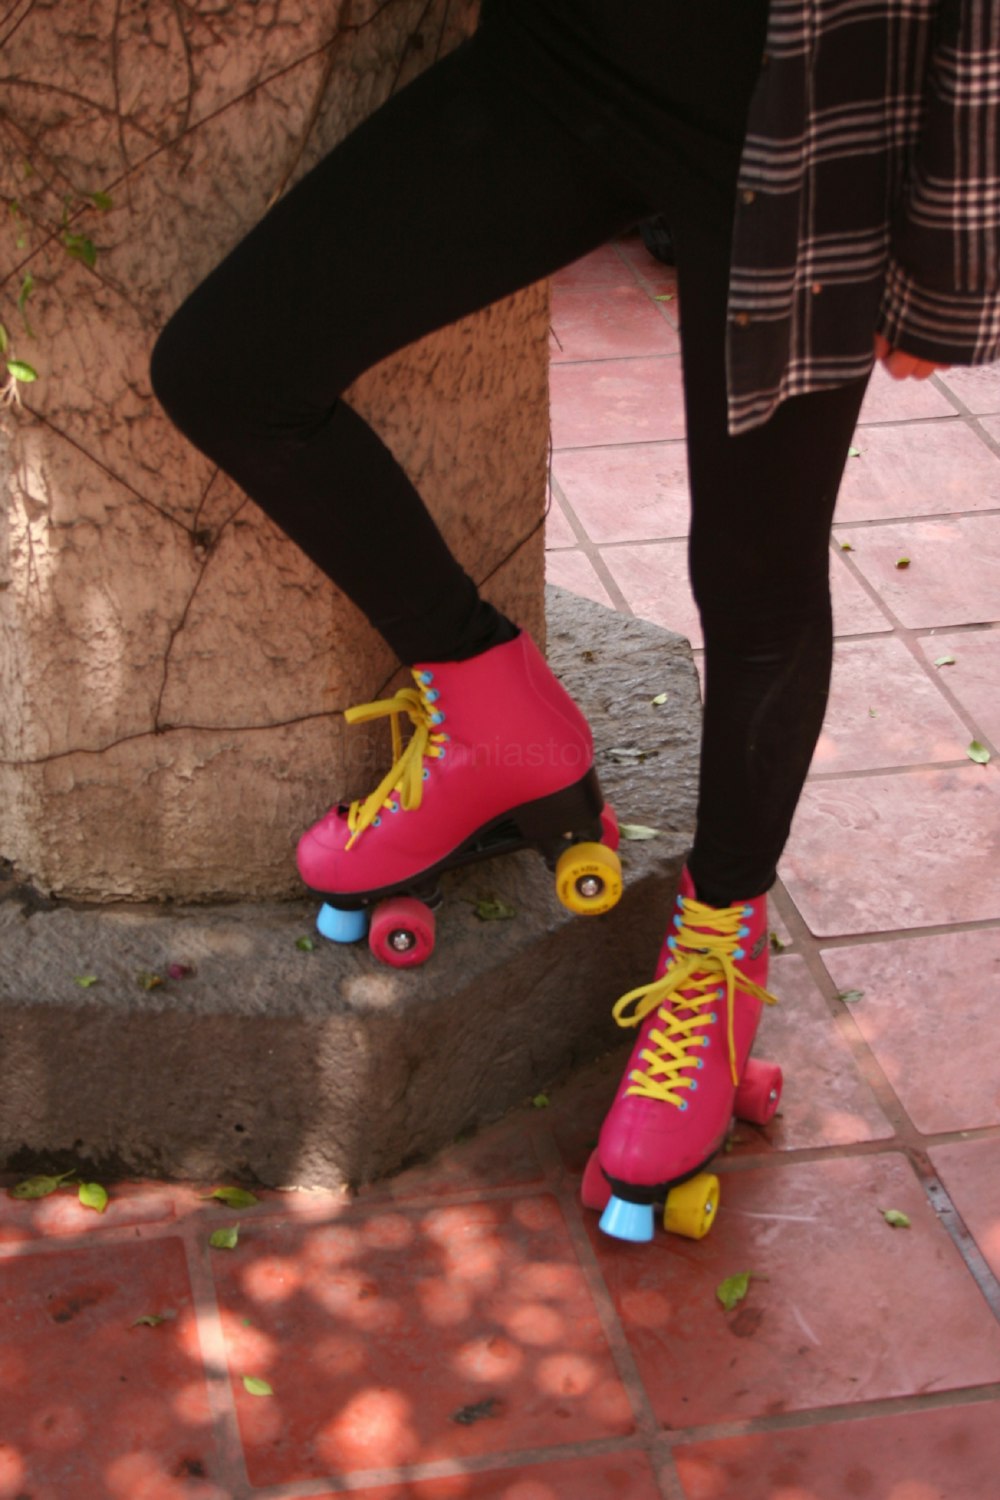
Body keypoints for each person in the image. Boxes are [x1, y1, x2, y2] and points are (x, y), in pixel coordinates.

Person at [150, 2, 1000, 1243]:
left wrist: (948, 257)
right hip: (565, 49)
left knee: (753, 582)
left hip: (799, 125)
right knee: (228, 366)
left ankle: (717, 955)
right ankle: (490, 707)